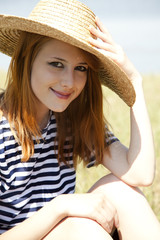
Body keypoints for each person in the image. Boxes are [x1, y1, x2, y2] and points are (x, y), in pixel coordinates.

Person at [0, 0, 160, 239]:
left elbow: (140, 175)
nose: (69, 82)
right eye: (56, 64)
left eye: (81, 68)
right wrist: (61, 206)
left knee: (122, 192)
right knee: (80, 228)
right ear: (26, 59)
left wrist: (134, 81)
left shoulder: (71, 119)